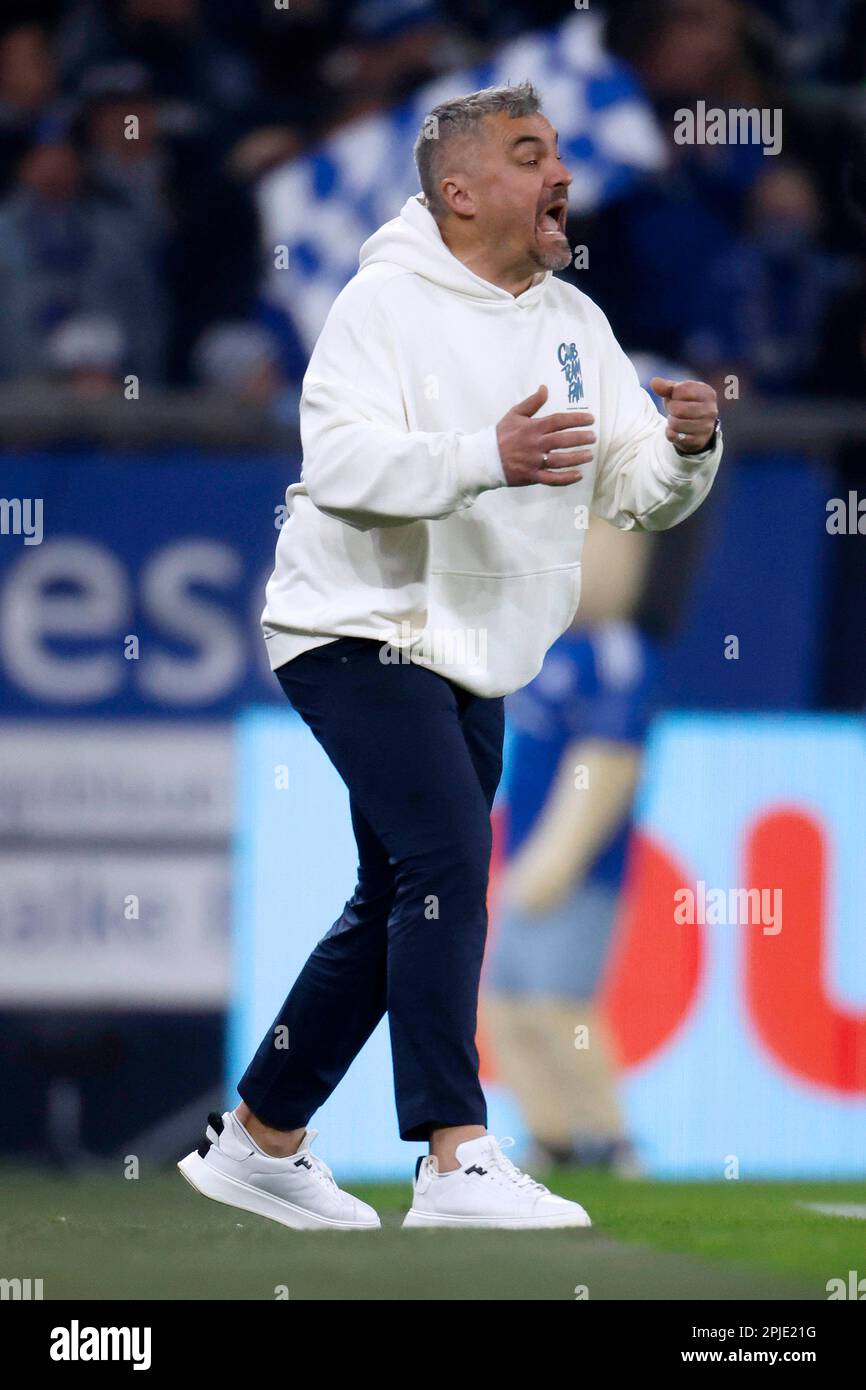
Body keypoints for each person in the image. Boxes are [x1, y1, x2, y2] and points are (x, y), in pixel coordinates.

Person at [178, 81, 721, 1231]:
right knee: (443, 860)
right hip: (354, 626)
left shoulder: (572, 326)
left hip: (476, 651)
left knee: (394, 895)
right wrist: (487, 452)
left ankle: (260, 1137)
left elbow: (635, 491)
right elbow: (340, 468)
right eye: (531, 155)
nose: (560, 175)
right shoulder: (380, 303)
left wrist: (686, 451)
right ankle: (452, 1153)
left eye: (559, 154)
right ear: (461, 191)